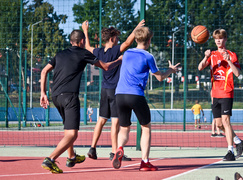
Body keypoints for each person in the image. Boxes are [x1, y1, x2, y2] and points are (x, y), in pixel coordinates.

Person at [39, 22, 122, 173]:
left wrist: (43, 93)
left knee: (67, 129)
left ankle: (71, 157)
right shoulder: (84, 53)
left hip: (55, 96)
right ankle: (50, 159)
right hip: (70, 97)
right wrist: (120, 60)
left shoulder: (59, 54)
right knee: (72, 134)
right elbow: (106, 66)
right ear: (82, 41)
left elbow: (44, 71)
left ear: (71, 41)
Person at [112, 26, 180, 171]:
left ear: (136, 39)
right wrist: (171, 70)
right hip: (135, 94)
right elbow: (160, 77)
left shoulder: (127, 53)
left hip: (119, 94)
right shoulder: (148, 56)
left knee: (124, 128)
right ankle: (145, 162)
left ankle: (119, 148)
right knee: (146, 128)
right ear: (149, 40)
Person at [84, 20, 145, 161]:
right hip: (115, 90)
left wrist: (85, 30)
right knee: (115, 122)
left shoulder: (99, 52)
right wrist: (136, 28)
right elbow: (129, 42)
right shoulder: (115, 50)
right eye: (117, 38)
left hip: (104, 90)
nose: (119, 40)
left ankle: (92, 148)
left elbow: (87, 46)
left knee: (101, 120)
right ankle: (114, 152)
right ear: (112, 39)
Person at [198, 28, 243, 161]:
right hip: (215, 93)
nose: (218, 40)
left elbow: (237, 73)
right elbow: (200, 67)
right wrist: (206, 57)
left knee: (226, 121)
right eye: (216, 38)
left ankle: (230, 151)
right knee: (219, 124)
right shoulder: (212, 54)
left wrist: (229, 61)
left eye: (221, 38)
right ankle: (239, 141)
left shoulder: (232, 54)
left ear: (225, 39)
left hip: (227, 91)